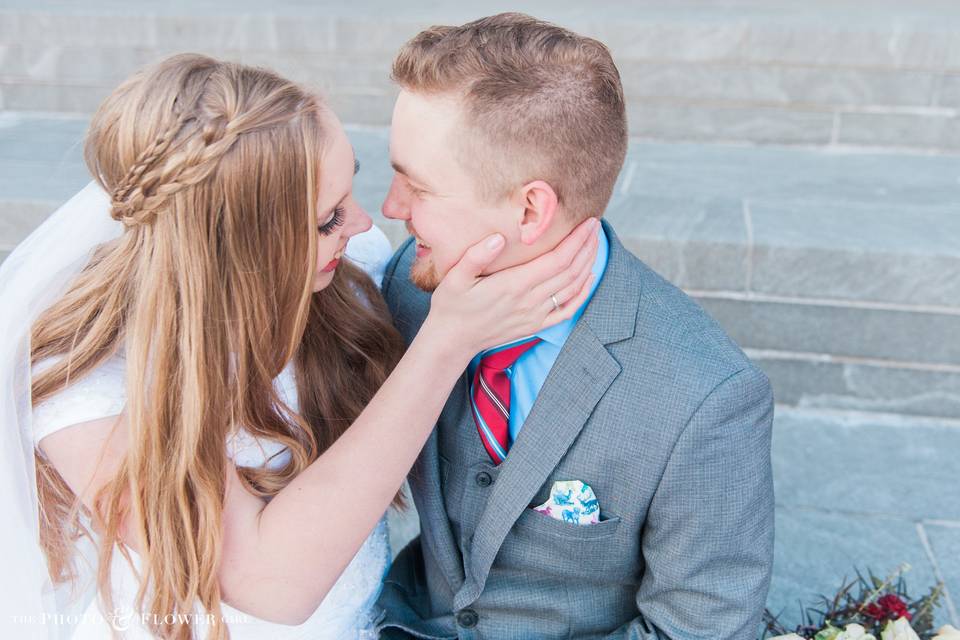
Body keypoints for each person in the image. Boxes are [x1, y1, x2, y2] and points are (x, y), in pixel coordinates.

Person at [0, 53, 598, 639]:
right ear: (230, 247)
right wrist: (447, 342)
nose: (365, 225)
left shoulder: (343, 274)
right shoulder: (86, 383)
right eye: (325, 219)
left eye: (349, 191)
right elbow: (271, 586)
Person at [375, 13, 776, 640]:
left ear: (531, 208)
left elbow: (700, 631)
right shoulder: (408, 285)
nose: (391, 208)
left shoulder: (703, 395)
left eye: (417, 185)